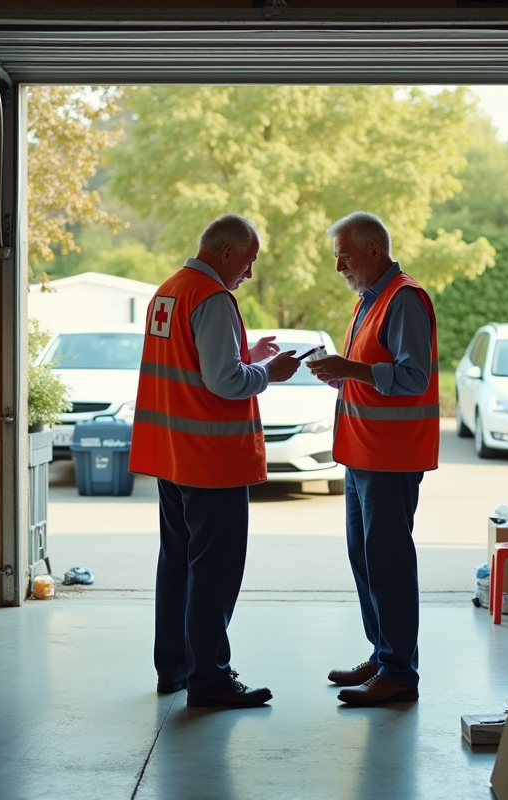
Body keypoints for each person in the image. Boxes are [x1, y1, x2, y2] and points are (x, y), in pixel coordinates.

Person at [130, 213, 302, 709]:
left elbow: (194, 362)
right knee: (215, 571)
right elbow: (225, 383)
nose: (248, 274)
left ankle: (175, 667)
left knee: (178, 563)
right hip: (210, 460)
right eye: (247, 263)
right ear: (226, 253)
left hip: (172, 457)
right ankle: (211, 679)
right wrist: (269, 371)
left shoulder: (170, 290)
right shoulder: (212, 298)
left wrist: (244, 351)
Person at [307, 211, 439, 706]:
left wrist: (351, 369)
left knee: (388, 562)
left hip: (390, 458)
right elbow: (373, 375)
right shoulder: (370, 300)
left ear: (372, 251)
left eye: (343, 255)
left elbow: (412, 378)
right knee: (365, 559)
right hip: (362, 456)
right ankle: (384, 655)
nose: (338, 265)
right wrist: (339, 374)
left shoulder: (403, 297)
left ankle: (400, 673)